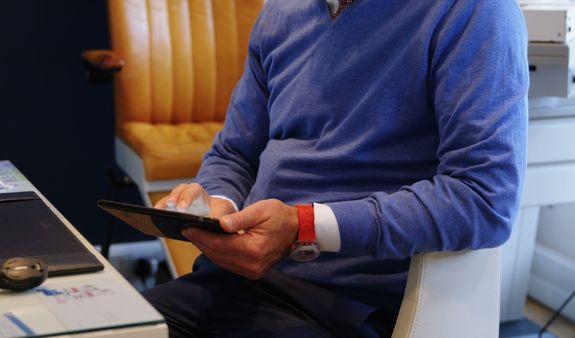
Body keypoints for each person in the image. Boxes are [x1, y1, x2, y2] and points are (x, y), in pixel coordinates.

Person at [144, 0, 529, 337]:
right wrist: (217, 203)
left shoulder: (472, 10)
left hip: (345, 307)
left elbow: (483, 199)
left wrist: (305, 227)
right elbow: (235, 154)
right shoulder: (281, 12)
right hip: (229, 283)